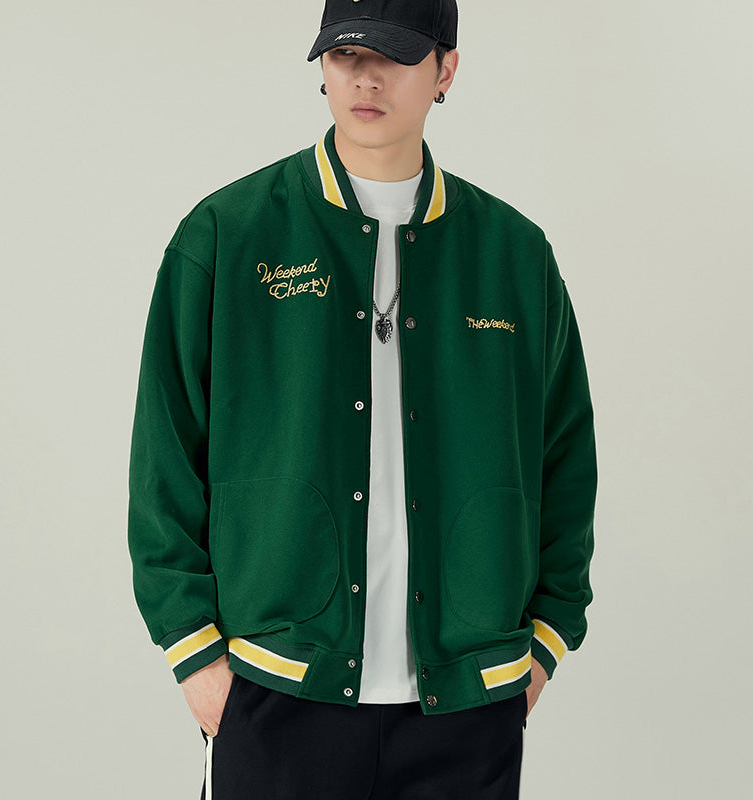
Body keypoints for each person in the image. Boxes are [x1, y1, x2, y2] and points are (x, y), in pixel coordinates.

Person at [128, 1, 597, 797]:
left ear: (445, 70)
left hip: (469, 700)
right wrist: (195, 656)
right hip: (274, 688)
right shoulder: (229, 235)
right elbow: (163, 456)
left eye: (394, 55)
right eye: (345, 55)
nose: (365, 78)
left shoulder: (514, 255)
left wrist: (546, 640)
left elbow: (565, 458)